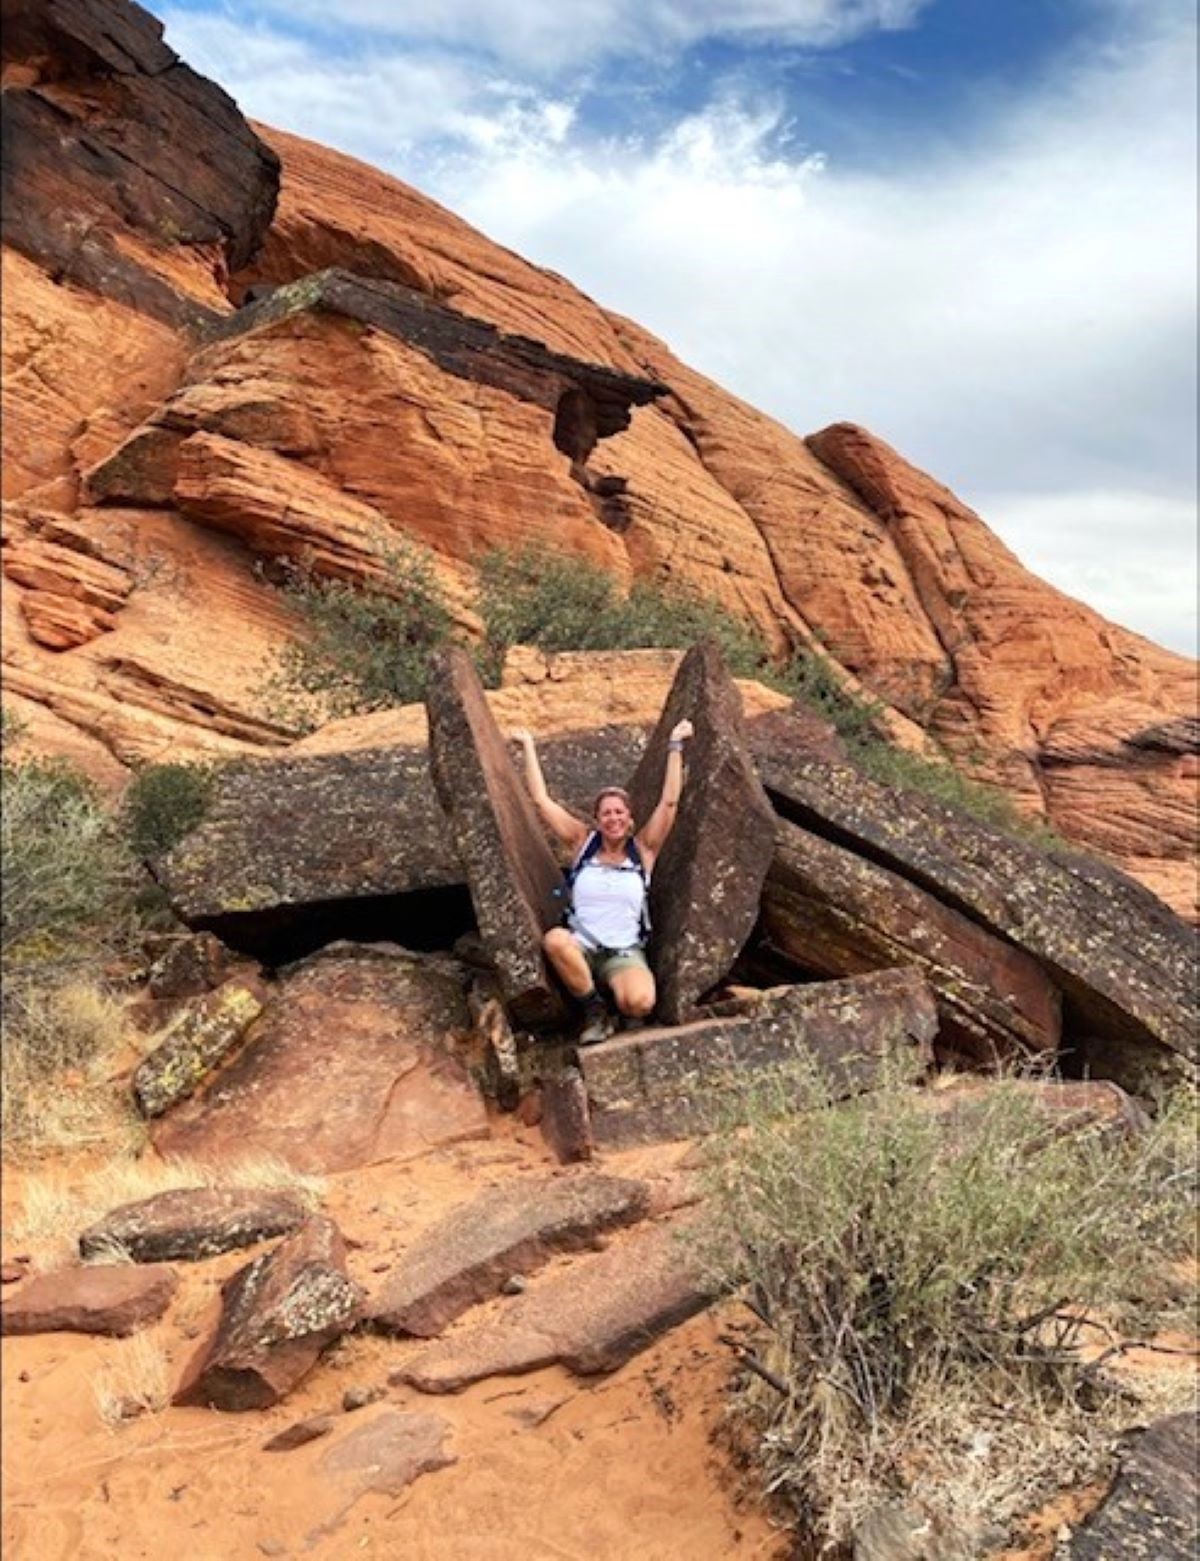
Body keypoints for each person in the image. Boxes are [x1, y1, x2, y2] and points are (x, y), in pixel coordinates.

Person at [512, 720, 694, 1043]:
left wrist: (675, 746)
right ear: (597, 820)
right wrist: (528, 746)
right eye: (606, 813)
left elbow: (669, 803)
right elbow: (541, 801)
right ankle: (595, 1010)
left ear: (630, 818)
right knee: (554, 940)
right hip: (581, 945)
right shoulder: (582, 842)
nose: (613, 818)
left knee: (640, 1002)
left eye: (619, 812)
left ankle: (620, 1004)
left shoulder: (644, 850)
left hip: (623, 951)